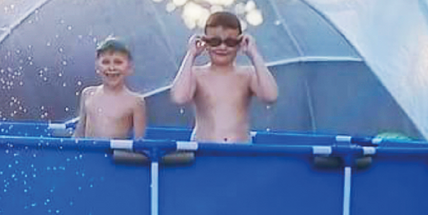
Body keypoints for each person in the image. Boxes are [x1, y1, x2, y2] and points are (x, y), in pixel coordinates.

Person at [170, 11, 278, 143]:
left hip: (240, 152)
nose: (222, 47)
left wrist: (254, 54)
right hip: (204, 150)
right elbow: (179, 98)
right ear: (205, 43)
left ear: (240, 44)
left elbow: (270, 96)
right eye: (215, 41)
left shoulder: (248, 74)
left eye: (230, 42)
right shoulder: (196, 74)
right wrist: (191, 54)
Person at [74, 38, 147, 139]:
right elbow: (79, 133)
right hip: (88, 154)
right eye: (105, 62)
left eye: (118, 62)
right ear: (97, 67)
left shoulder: (136, 101)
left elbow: (139, 142)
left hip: (116, 154)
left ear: (129, 68)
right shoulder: (88, 94)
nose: (111, 68)